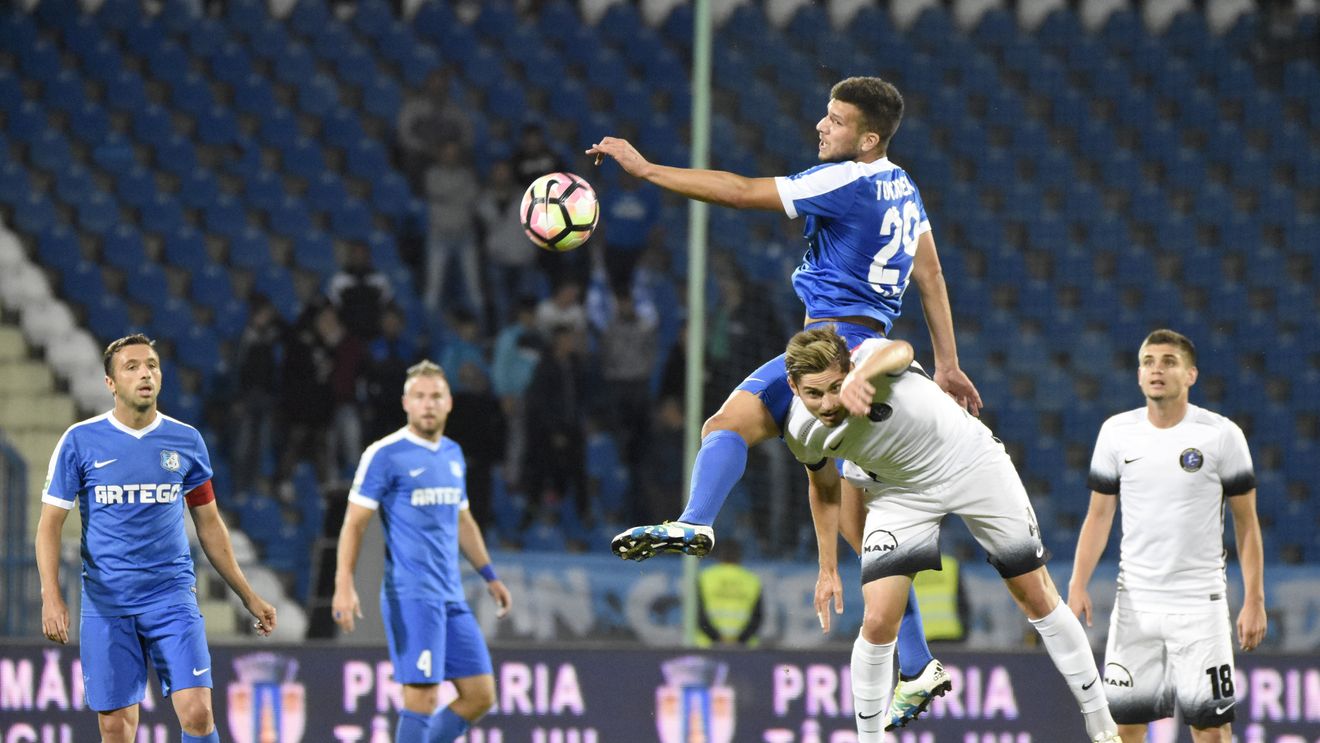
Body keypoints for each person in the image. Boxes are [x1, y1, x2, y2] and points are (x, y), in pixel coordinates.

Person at [588, 76, 980, 728]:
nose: (821, 126)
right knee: (860, 527)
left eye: (835, 119)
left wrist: (646, 169)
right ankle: (917, 664)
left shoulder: (846, 179)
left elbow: (741, 191)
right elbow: (931, 273)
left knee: (729, 422)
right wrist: (947, 363)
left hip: (836, 349)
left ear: (868, 138)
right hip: (874, 352)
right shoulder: (902, 185)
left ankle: (696, 519)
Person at [782, 326, 1120, 743]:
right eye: (814, 394)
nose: (829, 403)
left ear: (849, 367)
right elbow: (823, 489)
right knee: (878, 618)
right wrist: (827, 567)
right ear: (793, 387)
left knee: (1034, 593)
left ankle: (1102, 724)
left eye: (836, 387)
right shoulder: (802, 432)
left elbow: (901, 349)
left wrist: (861, 376)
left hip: (971, 464)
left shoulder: (869, 359)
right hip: (899, 492)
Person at [36, 334, 277, 743]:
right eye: (131, 367)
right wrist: (51, 595)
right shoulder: (80, 441)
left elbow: (210, 525)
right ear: (111, 383)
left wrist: (248, 595)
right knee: (116, 727)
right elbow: (49, 525)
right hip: (108, 602)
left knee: (199, 713)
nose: (145, 373)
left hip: (171, 598)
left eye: (151, 365)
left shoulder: (186, 441)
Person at [1067, 329, 1266, 743]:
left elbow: (1246, 523)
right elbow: (1099, 515)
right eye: (1148, 362)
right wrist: (1077, 583)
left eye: (1169, 362)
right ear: (1139, 375)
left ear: (1191, 374)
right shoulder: (1116, 433)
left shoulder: (1221, 435)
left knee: (1210, 731)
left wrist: (1254, 600)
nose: (1156, 369)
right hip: (1134, 604)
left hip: (1199, 606)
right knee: (1124, 729)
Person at [332, 360, 512, 743]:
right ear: (405, 403)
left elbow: (463, 520)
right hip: (411, 595)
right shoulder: (385, 454)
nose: (428, 404)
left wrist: (490, 576)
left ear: (449, 403)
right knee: (423, 697)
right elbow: (354, 524)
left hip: (451, 595)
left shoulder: (452, 453)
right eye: (419, 396)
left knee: (480, 695)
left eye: (436, 396)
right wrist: (344, 584)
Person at [695, 538, 764, 648]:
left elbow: (697, 614)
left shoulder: (706, 577)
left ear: (719, 556)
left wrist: (717, 638)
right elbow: (757, 617)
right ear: (739, 556)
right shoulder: (752, 580)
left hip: (708, 645)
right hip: (744, 647)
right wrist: (740, 640)